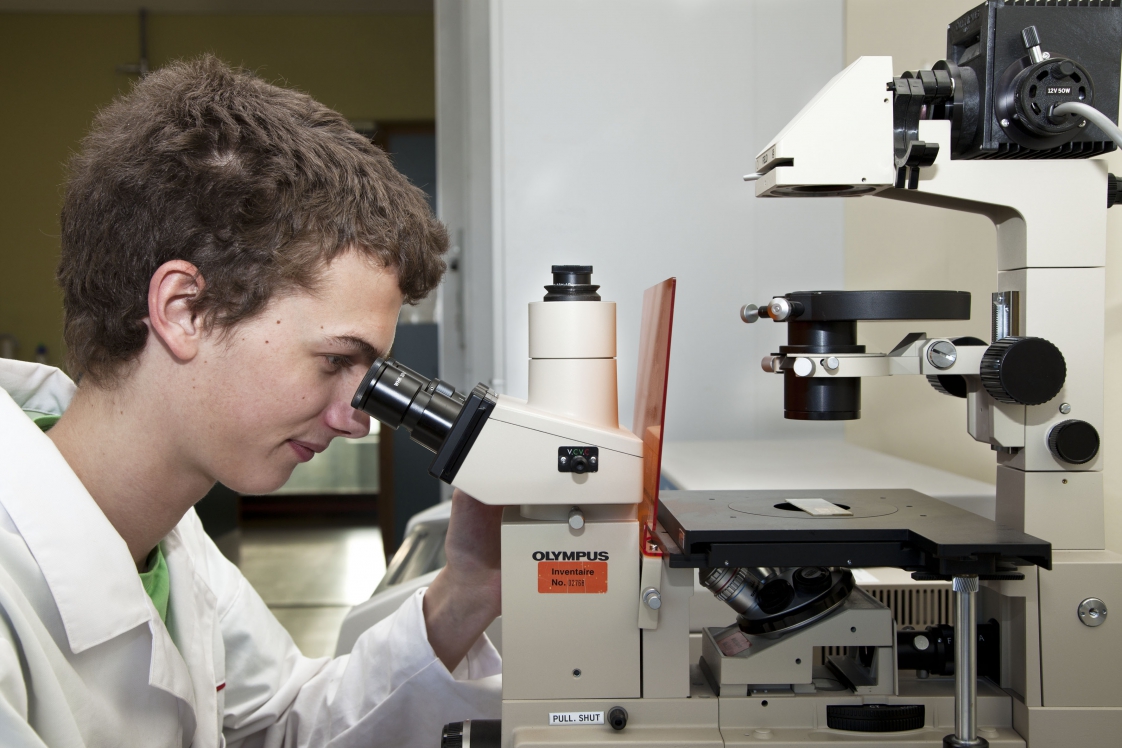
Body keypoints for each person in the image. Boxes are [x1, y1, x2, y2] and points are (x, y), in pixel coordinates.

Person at [0, 56, 501, 747]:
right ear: (185, 310)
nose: (357, 420)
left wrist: (468, 589)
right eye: (335, 360)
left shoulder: (174, 545)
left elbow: (286, 726)